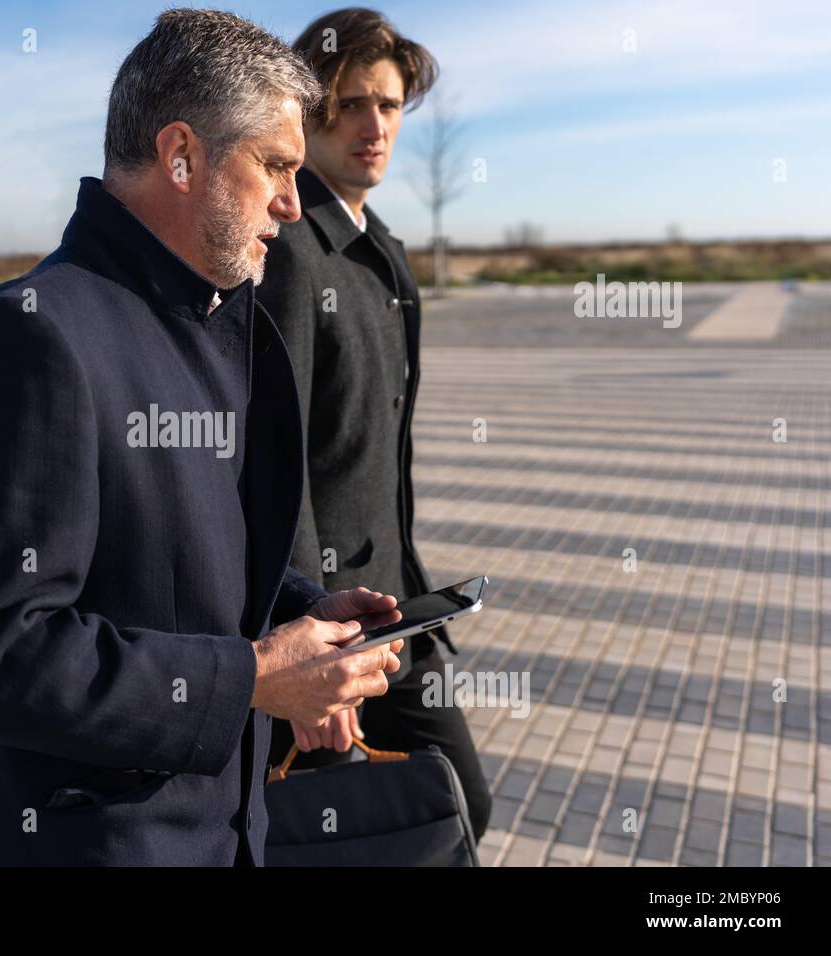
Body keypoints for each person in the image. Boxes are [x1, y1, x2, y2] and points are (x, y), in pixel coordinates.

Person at [0, 8, 406, 866]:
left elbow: (179, 566)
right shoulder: (30, 339)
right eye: (276, 168)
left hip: (230, 835)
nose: (293, 202)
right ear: (181, 155)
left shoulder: (220, 322)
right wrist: (253, 680)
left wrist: (299, 613)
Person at [259, 7, 492, 841]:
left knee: (453, 808)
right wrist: (303, 644)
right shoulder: (291, 249)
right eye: (350, 103)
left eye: (389, 107)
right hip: (325, 619)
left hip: (394, 607)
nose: (374, 126)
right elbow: (268, 455)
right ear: (306, 110)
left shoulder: (380, 246)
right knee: (354, 832)